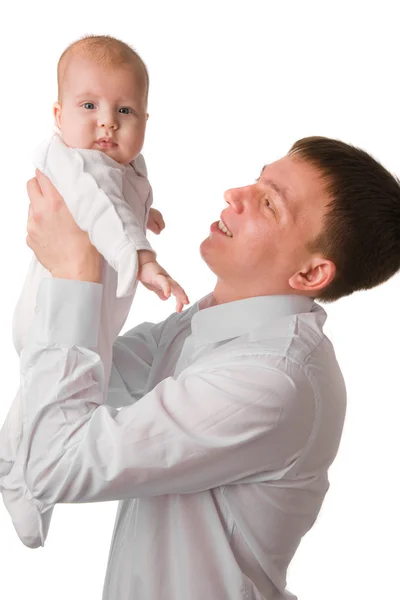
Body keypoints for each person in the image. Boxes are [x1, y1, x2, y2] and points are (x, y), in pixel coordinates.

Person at [2, 136, 400, 600]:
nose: (236, 194)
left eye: (269, 203)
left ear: (310, 275)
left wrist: (76, 271)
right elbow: (59, 365)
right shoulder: (209, 325)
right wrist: (98, 228)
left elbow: (53, 465)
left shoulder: (272, 380)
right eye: (257, 179)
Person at [0, 35, 188, 548]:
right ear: (58, 115)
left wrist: (145, 215)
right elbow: (101, 210)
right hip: (56, 307)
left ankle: (13, 462)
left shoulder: (125, 164)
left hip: (93, 305)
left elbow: (122, 197)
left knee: (55, 388)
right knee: (58, 386)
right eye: (89, 106)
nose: (108, 121)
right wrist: (144, 258)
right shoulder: (72, 161)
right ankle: (23, 485)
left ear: (147, 120)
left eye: (125, 109)